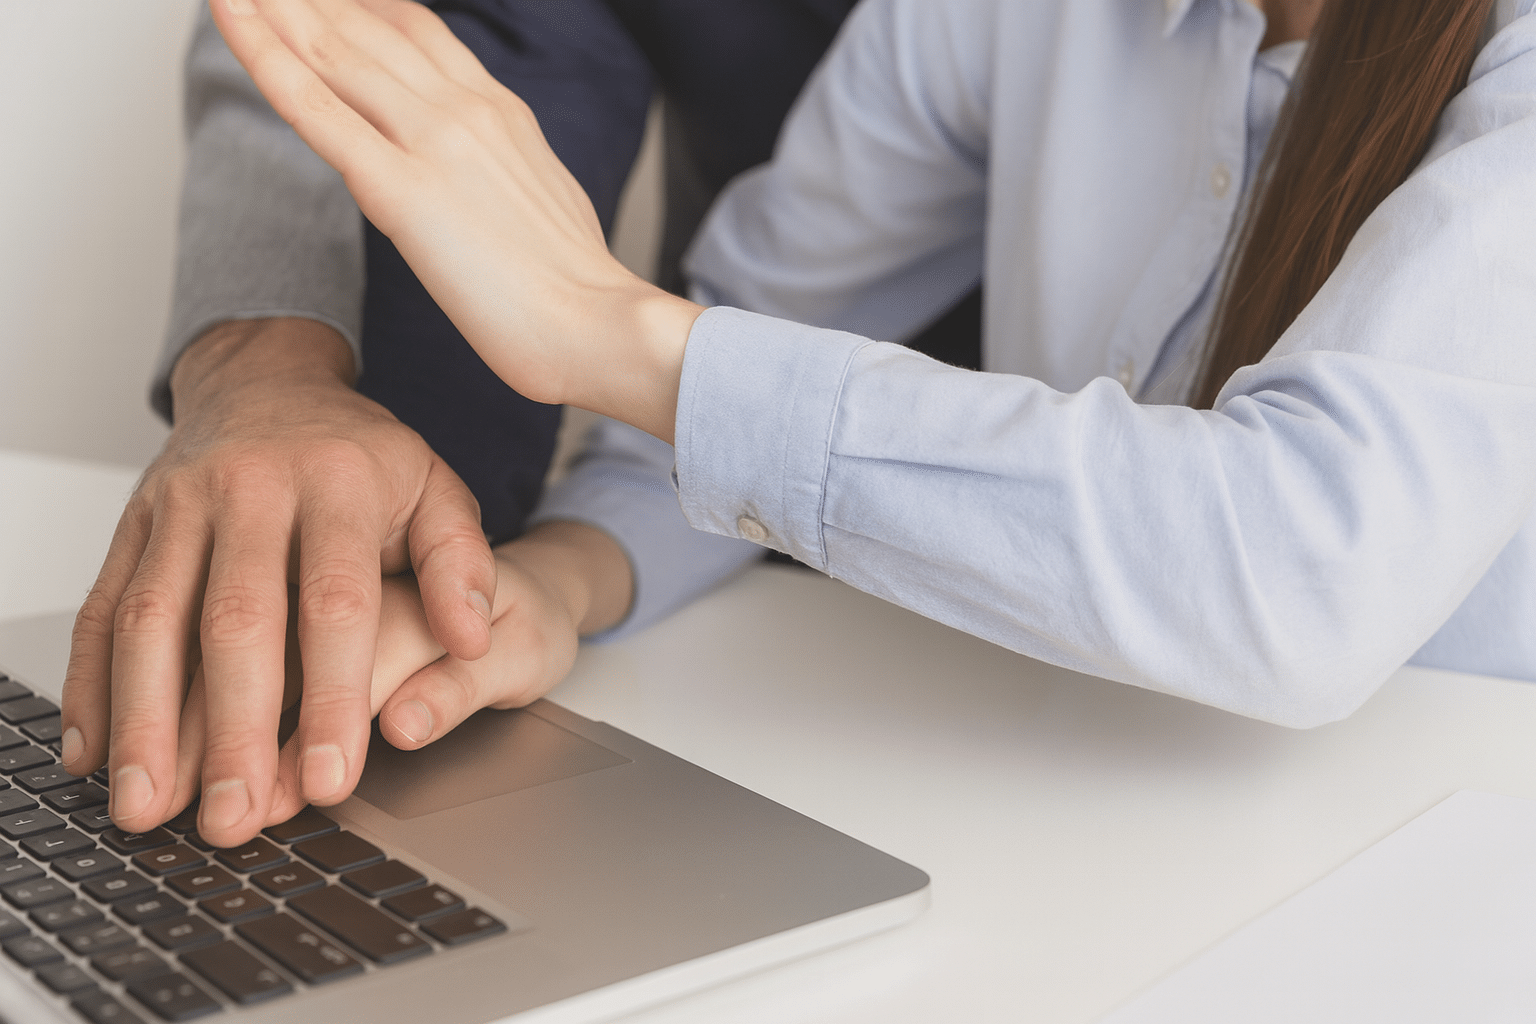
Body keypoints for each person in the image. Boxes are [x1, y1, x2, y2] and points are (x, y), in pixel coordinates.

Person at [63, 0, 953, 847]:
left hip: (940, 506)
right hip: (724, 356)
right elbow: (309, 28)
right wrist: (267, 371)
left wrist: (615, 336)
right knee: (363, 576)